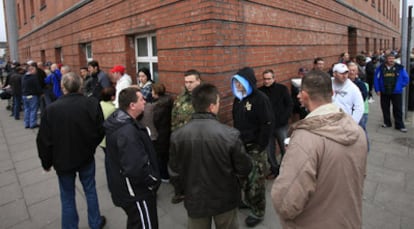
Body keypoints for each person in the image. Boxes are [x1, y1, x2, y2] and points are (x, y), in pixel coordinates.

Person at [271, 70, 368, 229]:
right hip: (350, 220)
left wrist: (295, 156)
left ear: (303, 95)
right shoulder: (357, 130)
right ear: (332, 92)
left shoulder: (304, 139)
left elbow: (285, 203)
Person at [169, 83, 252, 229]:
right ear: (212, 106)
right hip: (225, 199)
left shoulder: (177, 136)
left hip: (195, 200)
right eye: (218, 102)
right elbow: (244, 168)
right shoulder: (230, 135)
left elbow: (174, 171)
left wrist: (183, 191)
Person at [36, 72, 106, 229]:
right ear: (80, 86)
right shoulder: (91, 104)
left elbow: (44, 141)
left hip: (63, 161)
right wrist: (90, 147)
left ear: (62, 87)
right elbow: (100, 130)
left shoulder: (51, 109)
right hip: (85, 158)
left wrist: (46, 163)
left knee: (67, 197)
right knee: (90, 190)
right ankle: (95, 223)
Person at [104, 87, 160, 229]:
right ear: (132, 105)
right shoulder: (127, 132)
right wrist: (152, 180)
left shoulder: (121, 120)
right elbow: (136, 168)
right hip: (136, 194)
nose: (145, 101)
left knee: (136, 222)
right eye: (141, 99)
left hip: (126, 189)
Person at [231, 67, 273, 227]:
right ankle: (248, 201)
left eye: (240, 82)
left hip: (256, 147)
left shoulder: (260, 99)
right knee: (244, 178)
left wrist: (261, 145)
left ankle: (258, 211)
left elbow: (267, 123)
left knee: (256, 181)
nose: (237, 85)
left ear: (247, 82)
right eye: (235, 82)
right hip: (241, 145)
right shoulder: (238, 99)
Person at [169, 69, 201, 204]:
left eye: (191, 82)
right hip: (179, 138)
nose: (188, 85)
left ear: (198, 81)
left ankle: (195, 194)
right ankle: (180, 192)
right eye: (186, 82)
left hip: (195, 142)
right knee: (177, 167)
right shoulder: (182, 95)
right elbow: (175, 114)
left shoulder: (203, 97)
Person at [258, 69, 292, 179]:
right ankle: (274, 169)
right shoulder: (260, 92)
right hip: (267, 127)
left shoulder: (282, 89)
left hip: (281, 125)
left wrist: (283, 119)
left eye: (269, 79)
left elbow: (289, 105)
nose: (266, 81)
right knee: (269, 151)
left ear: (274, 78)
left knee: (285, 149)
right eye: (264, 79)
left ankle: (285, 170)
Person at [374, 53, 410, 132]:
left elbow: (406, 78)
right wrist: (377, 89)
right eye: (390, 58)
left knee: (398, 109)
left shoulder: (399, 68)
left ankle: (399, 125)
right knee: (385, 108)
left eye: (393, 58)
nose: (391, 60)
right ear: (386, 59)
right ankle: (387, 123)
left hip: (396, 92)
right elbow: (376, 79)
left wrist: (400, 86)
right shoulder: (380, 68)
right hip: (384, 91)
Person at [151, 83, 173, 181]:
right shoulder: (167, 100)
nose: (151, 92)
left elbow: (155, 120)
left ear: (156, 92)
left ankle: (164, 176)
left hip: (161, 134)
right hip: (167, 131)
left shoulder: (158, 106)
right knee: (165, 156)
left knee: (161, 157)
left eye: (152, 90)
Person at [22, 62, 43, 128]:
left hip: (24, 95)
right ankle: (32, 124)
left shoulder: (24, 77)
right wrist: (41, 93)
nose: (36, 72)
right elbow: (37, 87)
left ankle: (26, 124)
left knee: (26, 109)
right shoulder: (33, 77)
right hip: (32, 96)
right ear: (31, 70)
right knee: (33, 109)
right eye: (35, 70)